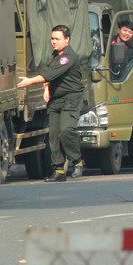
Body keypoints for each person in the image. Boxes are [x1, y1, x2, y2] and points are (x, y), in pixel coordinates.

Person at [18, 25, 86, 181]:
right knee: (53, 136)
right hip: (56, 100)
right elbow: (49, 74)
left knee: (66, 130)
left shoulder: (68, 57)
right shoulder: (55, 55)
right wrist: (46, 88)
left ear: (67, 40)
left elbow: (50, 74)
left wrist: (30, 81)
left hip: (71, 98)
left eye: (57, 39)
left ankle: (77, 161)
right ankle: (59, 171)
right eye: (52, 38)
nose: (54, 42)